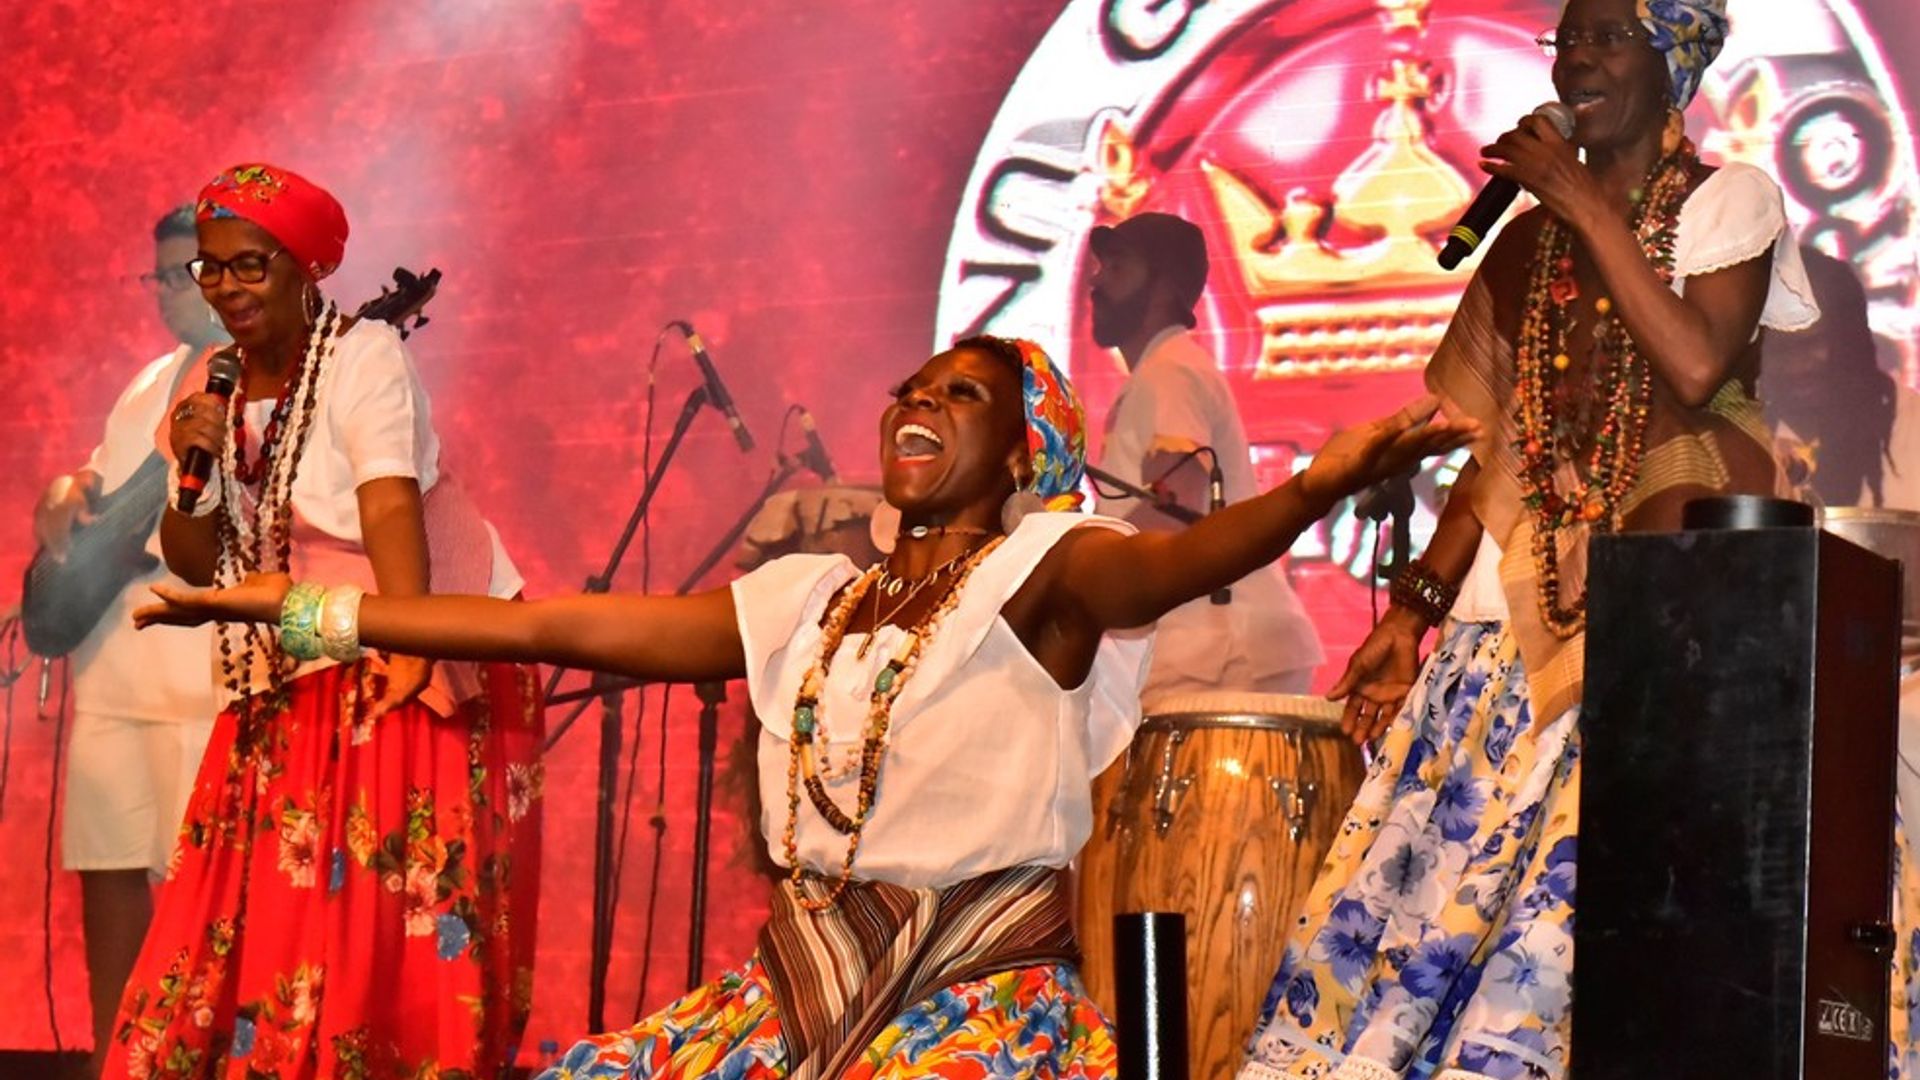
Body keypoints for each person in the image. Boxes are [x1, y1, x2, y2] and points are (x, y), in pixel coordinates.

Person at [135, 334, 1473, 1078]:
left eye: (963, 400)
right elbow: (540, 624)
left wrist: (1308, 491)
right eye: (913, 387)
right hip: (795, 1000)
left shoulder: (1046, 576)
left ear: (1020, 457)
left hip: (974, 1010)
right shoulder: (807, 604)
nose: (917, 404)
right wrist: (285, 609)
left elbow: (1181, 558)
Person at [1237, 2, 1840, 1077]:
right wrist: (1414, 609)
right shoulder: (1525, 242)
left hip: (1672, 608)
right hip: (1520, 596)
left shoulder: (1728, 200)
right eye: (1567, 38)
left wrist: (1575, 199)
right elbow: (1502, 444)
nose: (1575, 56)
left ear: (1670, 68)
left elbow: (1697, 366)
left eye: (1608, 34)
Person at [102, 164, 542, 1080]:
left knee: (387, 919)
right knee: (252, 913)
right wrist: (194, 460)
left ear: (306, 271)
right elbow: (191, 558)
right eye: (210, 269)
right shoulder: (206, 387)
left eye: (250, 266)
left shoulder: (361, 355)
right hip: (293, 659)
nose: (226, 287)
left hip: (408, 644)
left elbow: (390, 507)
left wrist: (412, 641)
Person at [33, 204, 227, 1075]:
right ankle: (118, 1063)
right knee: (108, 875)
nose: (168, 292)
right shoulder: (150, 382)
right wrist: (67, 485)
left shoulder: (266, 376)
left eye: (187, 271)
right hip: (113, 667)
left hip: (201, 676)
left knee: (205, 895)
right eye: (159, 275)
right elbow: (105, 490)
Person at [1087, 211, 1324, 702]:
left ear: (1165, 286)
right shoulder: (1167, 366)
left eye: (1117, 267)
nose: (1097, 280)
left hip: (1217, 652)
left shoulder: (1169, 371)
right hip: (1218, 645)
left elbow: (1178, 500)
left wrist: (1087, 576)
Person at [1763, 246, 1920, 510]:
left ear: (1850, 339)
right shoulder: (1744, 436)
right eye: (1780, 348)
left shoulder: (1912, 428)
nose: (1796, 366)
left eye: (1812, 344)